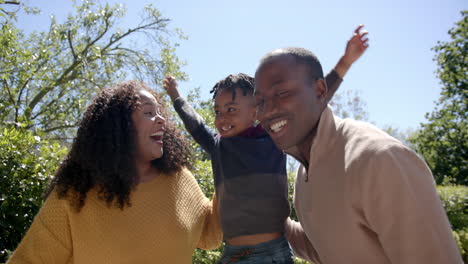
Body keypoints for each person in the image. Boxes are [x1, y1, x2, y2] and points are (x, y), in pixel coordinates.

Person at [163, 25, 369, 263]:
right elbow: (195, 124)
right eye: (218, 111)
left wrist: (344, 63)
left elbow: (312, 104)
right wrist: (176, 97)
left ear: (255, 111)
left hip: (273, 252)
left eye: (231, 109)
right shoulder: (218, 146)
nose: (222, 118)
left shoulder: (273, 137)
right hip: (233, 255)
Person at [254, 45, 463, 263]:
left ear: (320, 90)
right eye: (260, 101)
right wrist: (275, 220)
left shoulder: (379, 159)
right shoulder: (304, 173)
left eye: (282, 93)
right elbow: (328, 249)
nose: (267, 110)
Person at [7, 80, 222, 264]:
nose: (161, 119)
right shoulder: (75, 195)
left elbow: (211, 235)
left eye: (159, 112)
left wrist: (231, 174)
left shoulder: (180, 179)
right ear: (118, 127)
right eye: (148, 112)